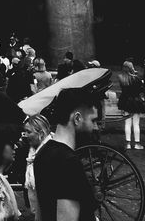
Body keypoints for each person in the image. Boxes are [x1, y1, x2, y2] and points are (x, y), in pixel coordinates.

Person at [33, 86, 99, 220]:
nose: (95, 127)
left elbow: (40, 213)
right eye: (93, 121)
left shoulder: (43, 152)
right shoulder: (68, 162)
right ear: (77, 118)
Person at [21, 115, 52, 221]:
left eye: (29, 132)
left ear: (41, 134)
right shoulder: (33, 150)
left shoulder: (49, 153)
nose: (25, 135)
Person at [115, 60, 145, 151]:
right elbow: (141, 89)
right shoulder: (136, 78)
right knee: (136, 123)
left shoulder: (121, 78)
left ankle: (128, 143)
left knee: (127, 123)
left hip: (125, 101)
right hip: (136, 101)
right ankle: (137, 143)